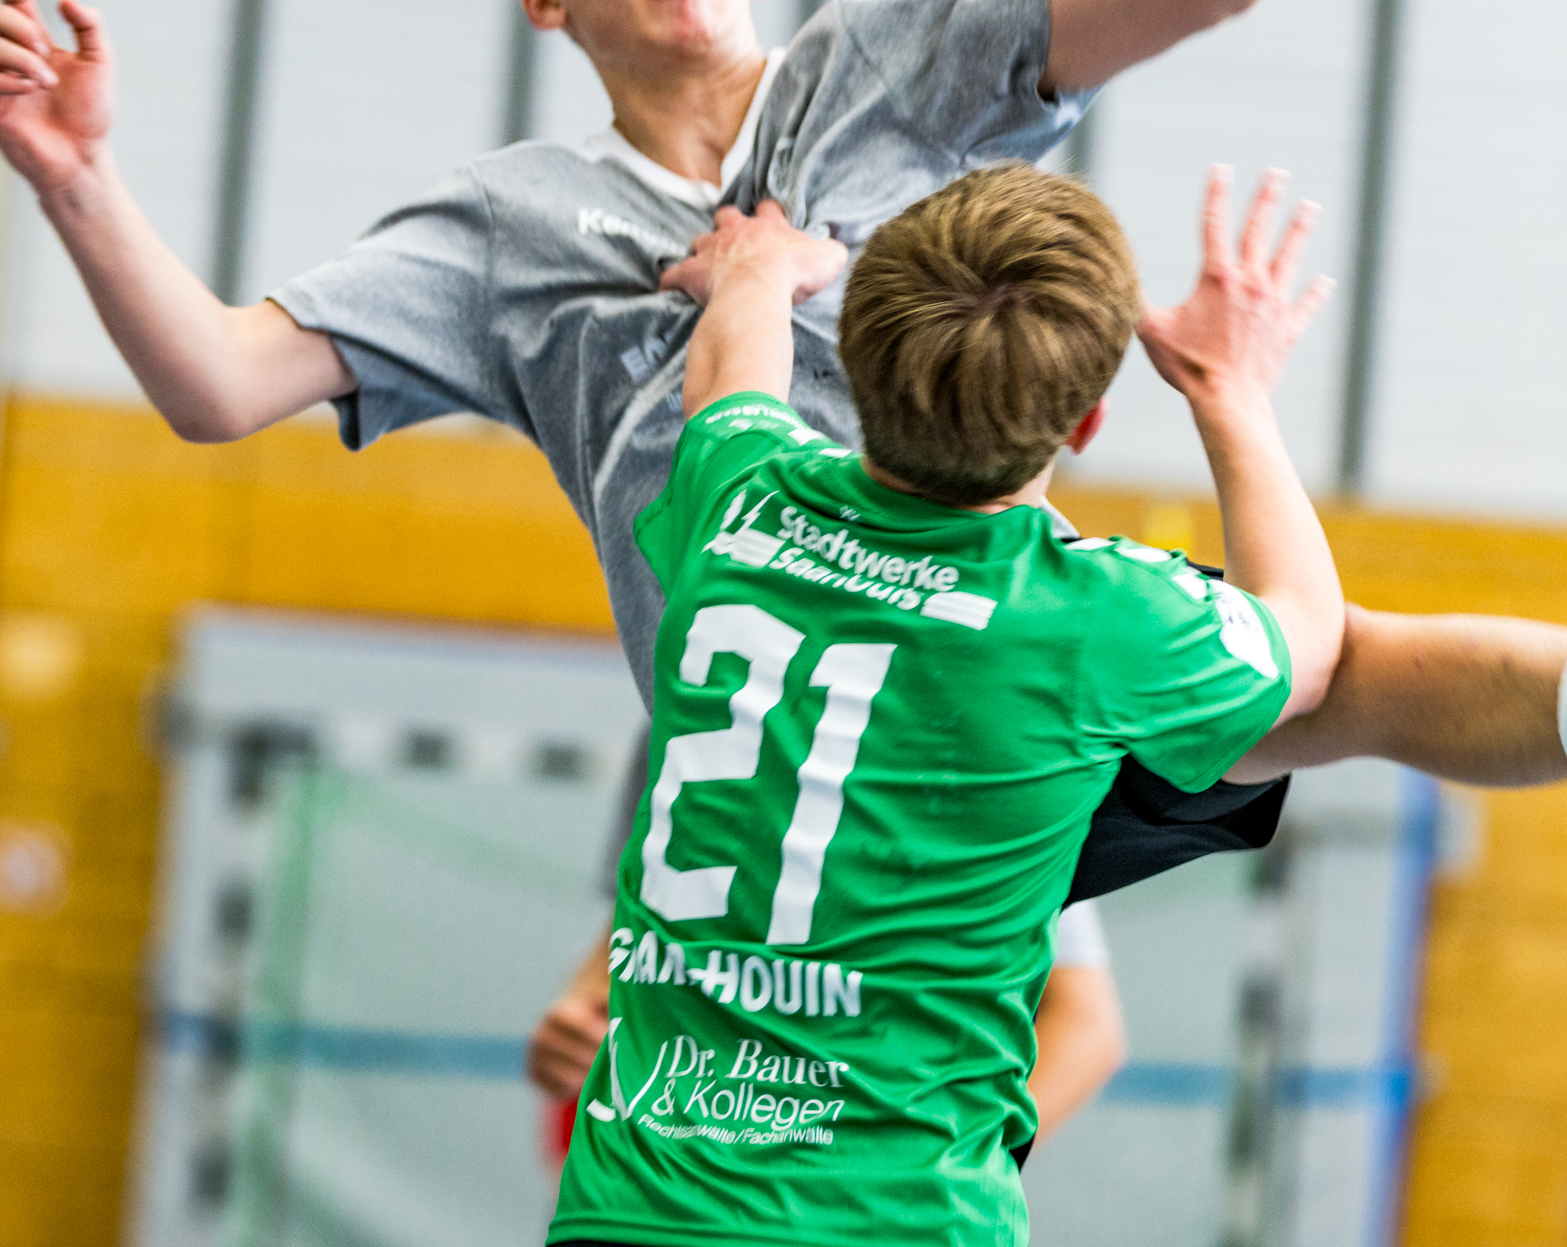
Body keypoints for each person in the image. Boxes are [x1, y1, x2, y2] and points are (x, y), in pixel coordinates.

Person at [0, 0, 1567, 1068]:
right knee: (1298, 693)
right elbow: (220, 380)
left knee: (1337, 681)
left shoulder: (883, 68)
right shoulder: (506, 233)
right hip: (785, 749)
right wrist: (76, 180)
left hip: (983, 654)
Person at [548, 160, 1342, 1244]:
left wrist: (757, 270)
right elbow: (1309, 639)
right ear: (1086, 422)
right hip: (898, 1218)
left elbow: (728, 383)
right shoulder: (1092, 612)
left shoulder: (738, 501)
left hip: (633, 1210)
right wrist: (1228, 389)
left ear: (858, 360)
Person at [534, 900, 1123, 1168]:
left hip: (851, 1201)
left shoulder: (962, 743)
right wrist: (572, 1031)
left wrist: (939, 1167)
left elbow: (1085, 1025)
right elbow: (637, 935)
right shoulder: (682, 712)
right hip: (668, 1187)